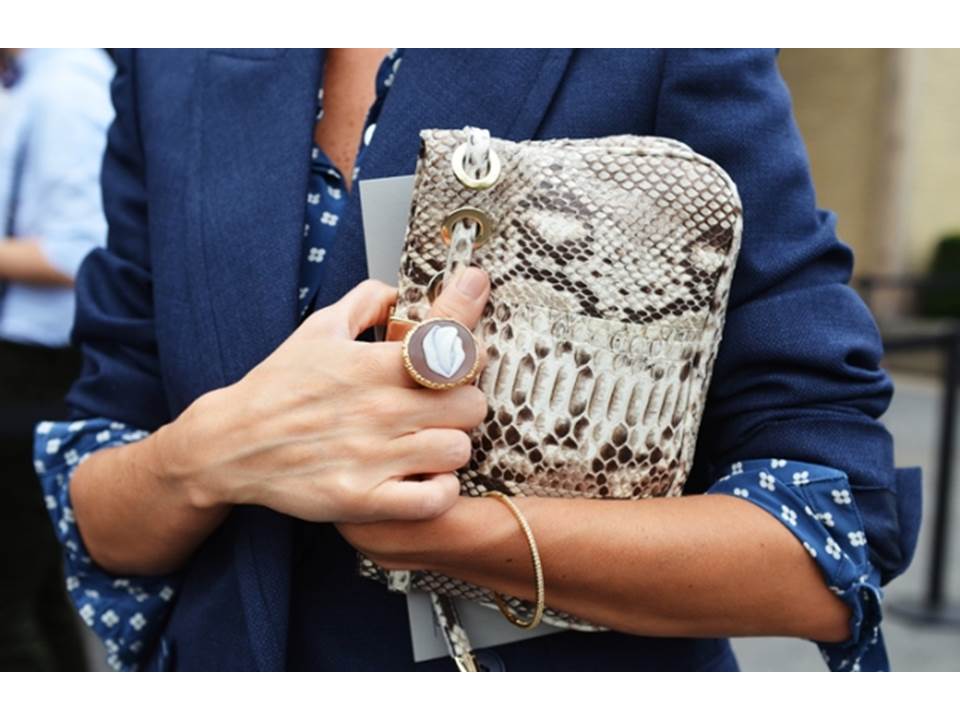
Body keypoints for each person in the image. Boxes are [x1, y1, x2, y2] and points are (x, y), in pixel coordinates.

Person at [34, 49, 921, 672]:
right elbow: (99, 496)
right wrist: (212, 450)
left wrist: (441, 533)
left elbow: (828, 530)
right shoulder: (173, 57)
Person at [0, 47, 114, 670]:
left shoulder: (65, 85)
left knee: (13, 598)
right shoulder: (32, 80)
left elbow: (79, 252)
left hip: (37, 368)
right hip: (27, 364)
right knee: (38, 592)